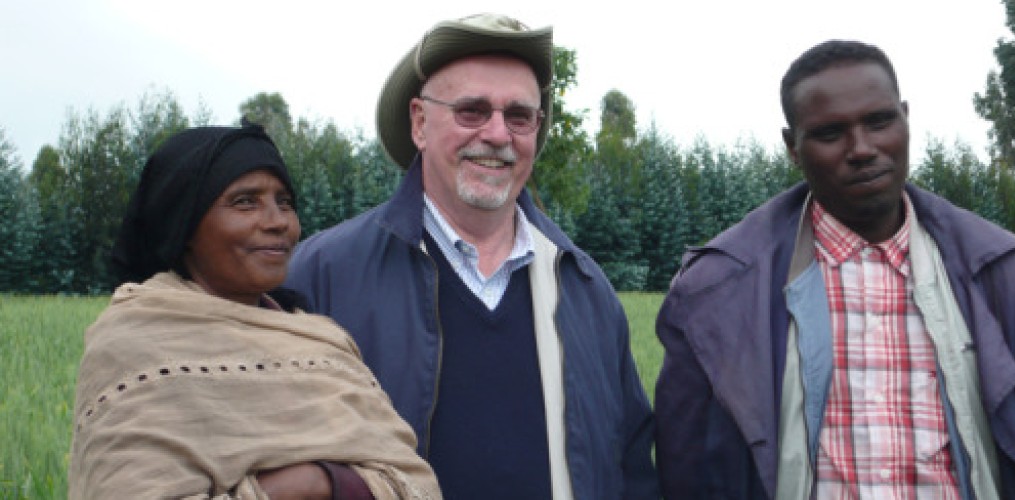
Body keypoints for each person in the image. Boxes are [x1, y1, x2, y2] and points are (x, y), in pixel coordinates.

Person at [285, 13, 658, 500]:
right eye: (472, 111)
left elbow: (630, 470)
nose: (498, 135)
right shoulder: (319, 277)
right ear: (420, 122)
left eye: (518, 116)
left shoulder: (586, 289)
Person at [654, 39, 1015, 499]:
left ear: (906, 117)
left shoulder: (1005, 274)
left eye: (879, 121)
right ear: (793, 147)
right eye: (830, 133)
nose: (862, 148)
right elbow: (687, 471)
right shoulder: (715, 290)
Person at [68, 124, 441, 500]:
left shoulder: (322, 342)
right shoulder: (135, 348)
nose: (278, 221)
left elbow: (409, 480)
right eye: (245, 202)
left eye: (284, 202)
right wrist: (290, 488)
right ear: (184, 223)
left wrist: (321, 480)